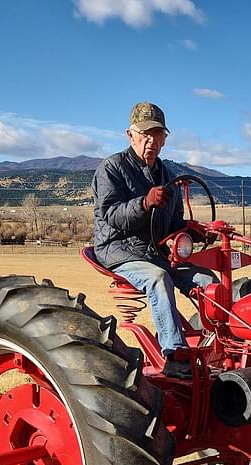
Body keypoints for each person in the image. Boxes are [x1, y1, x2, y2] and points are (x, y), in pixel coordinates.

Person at [92, 101, 215, 379]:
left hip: (157, 251)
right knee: (158, 279)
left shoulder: (166, 174)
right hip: (120, 250)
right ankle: (174, 355)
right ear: (130, 135)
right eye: (145, 134)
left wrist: (191, 230)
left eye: (157, 135)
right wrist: (144, 203)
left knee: (209, 282)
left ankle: (220, 346)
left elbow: (172, 222)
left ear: (164, 139)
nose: (151, 142)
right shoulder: (111, 169)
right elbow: (110, 215)